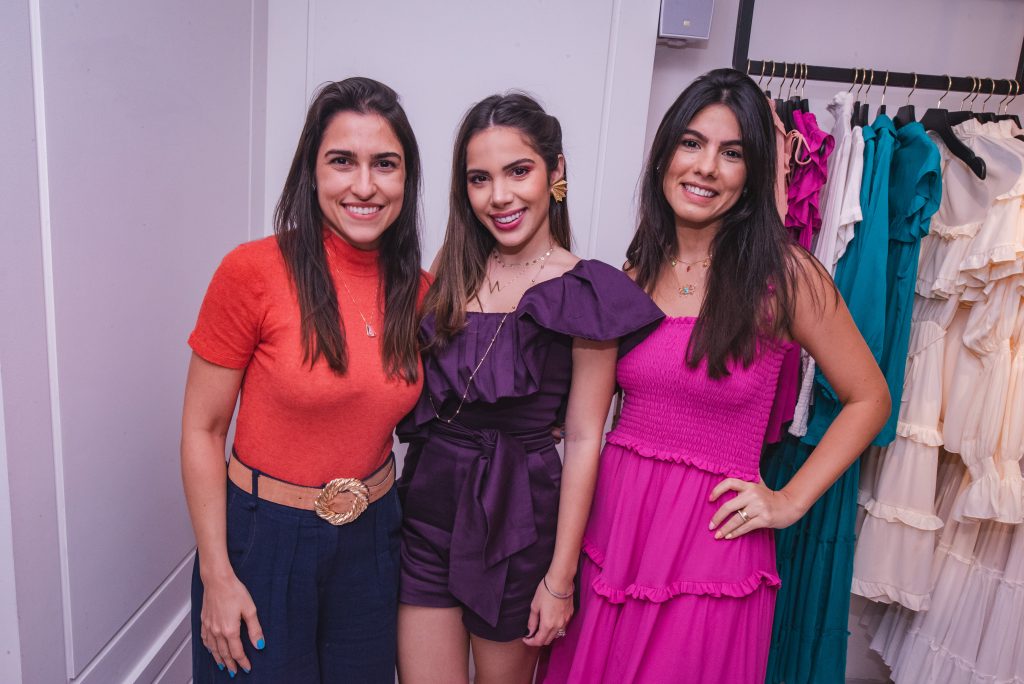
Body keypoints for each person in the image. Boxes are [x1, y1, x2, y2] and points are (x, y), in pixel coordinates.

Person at [541, 68, 890, 683]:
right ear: (664, 155)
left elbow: (870, 398)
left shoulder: (787, 276)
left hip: (711, 549)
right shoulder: (634, 273)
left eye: (732, 153)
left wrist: (789, 500)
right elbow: (586, 423)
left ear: (753, 172)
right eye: (691, 143)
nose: (706, 167)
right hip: (616, 536)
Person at [395, 93, 664, 684]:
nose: (500, 196)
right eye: (480, 178)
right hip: (428, 507)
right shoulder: (451, 270)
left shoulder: (586, 289)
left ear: (555, 171)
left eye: (518, 171)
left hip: (517, 520)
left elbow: (585, 437)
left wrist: (560, 579)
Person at [181, 77, 428, 683]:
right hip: (265, 538)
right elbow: (202, 430)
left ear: (406, 179)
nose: (364, 185)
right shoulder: (252, 272)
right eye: (342, 161)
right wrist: (217, 574)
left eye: (385, 164)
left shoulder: (419, 291)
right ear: (311, 172)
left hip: (374, 536)